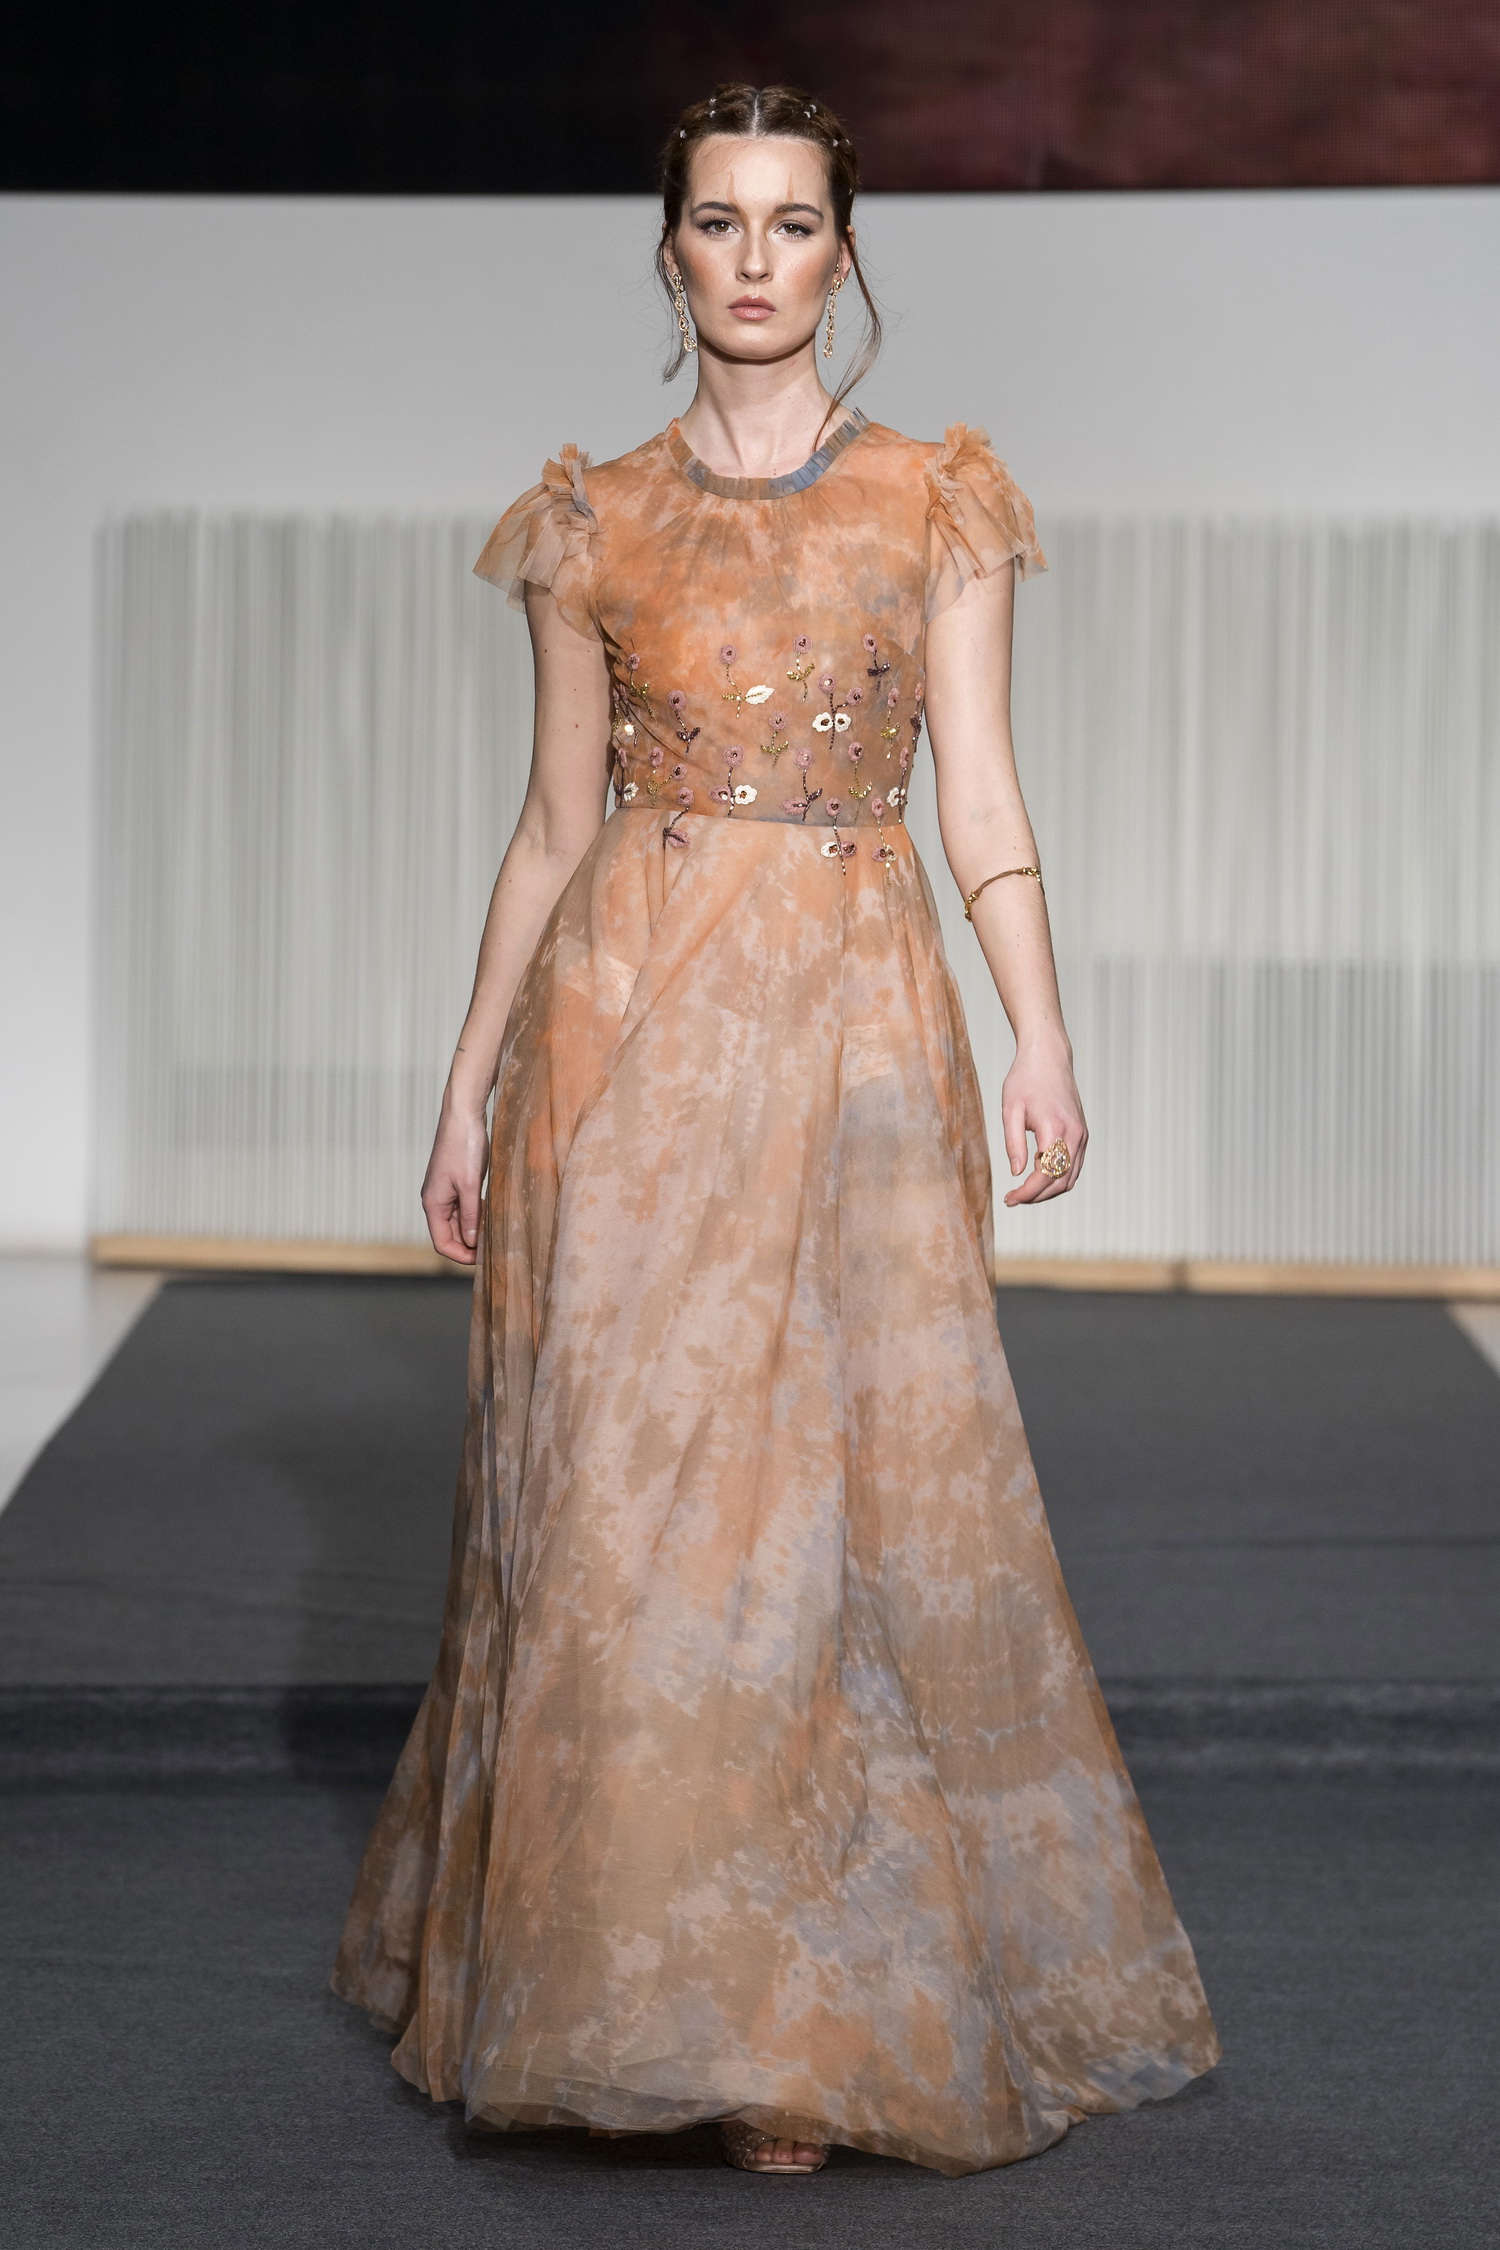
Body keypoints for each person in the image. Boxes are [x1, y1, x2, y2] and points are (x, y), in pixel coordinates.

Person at [333, 82, 1218, 2179]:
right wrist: (465, 1078)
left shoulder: (936, 499)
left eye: (791, 221)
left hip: (853, 1029)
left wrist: (1043, 1032)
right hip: (625, 1043)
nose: (753, 258)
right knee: (627, 1500)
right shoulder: (591, 521)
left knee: (834, 1500)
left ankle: (805, 2010)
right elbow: (553, 824)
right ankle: (638, 1994)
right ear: (668, 251)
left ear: (845, 249)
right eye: (718, 221)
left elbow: (978, 791)